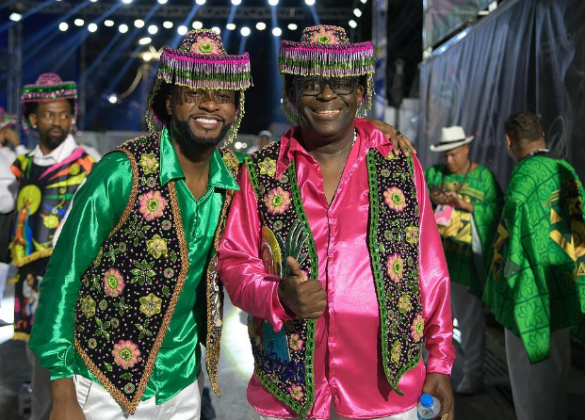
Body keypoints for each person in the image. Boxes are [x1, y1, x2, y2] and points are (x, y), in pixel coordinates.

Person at [217, 25, 455, 420]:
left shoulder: (398, 163)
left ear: (360, 93)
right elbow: (234, 262)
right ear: (291, 95)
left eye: (341, 83)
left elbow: (430, 270)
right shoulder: (259, 171)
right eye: (311, 84)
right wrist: (279, 297)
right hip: (289, 393)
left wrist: (441, 361)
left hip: (387, 392)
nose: (327, 95)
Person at [28, 29, 252, 419]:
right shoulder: (121, 171)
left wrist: (372, 133)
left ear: (236, 109)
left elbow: (298, 164)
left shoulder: (235, 178)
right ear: (169, 100)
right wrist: (62, 391)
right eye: (194, 93)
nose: (210, 106)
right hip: (101, 382)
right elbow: (64, 276)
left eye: (223, 97)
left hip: (182, 384)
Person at [483, 110, 585, 420]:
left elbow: (508, 242)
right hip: (564, 287)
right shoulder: (567, 170)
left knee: (530, 389)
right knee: (556, 376)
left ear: (509, 141)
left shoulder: (523, 177)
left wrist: (499, 285)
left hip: (531, 295)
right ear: (542, 136)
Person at [9, 73, 96, 420]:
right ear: (33, 120)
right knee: (38, 359)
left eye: (64, 114)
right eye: (49, 114)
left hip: (69, 275)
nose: (58, 121)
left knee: (69, 356)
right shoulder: (21, 165)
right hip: (29, 278)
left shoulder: (87, 161)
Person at [425, 126, 503, 394]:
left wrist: (467, 206)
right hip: (433, 262)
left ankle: (474, 373)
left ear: (467, 149)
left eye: (454, 154)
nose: (449, 160)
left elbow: (496, 210)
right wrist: (432, 198)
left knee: (469, 320)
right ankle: (426, 373)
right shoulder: (434, 174)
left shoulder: (484, 177)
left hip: (464, 262)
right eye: (446, 155)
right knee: (428, 319)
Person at [0, 107, 22, 328]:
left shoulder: (10, 154)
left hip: (7, 218)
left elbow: (27, 167)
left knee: (3, 263)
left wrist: (16, 144)